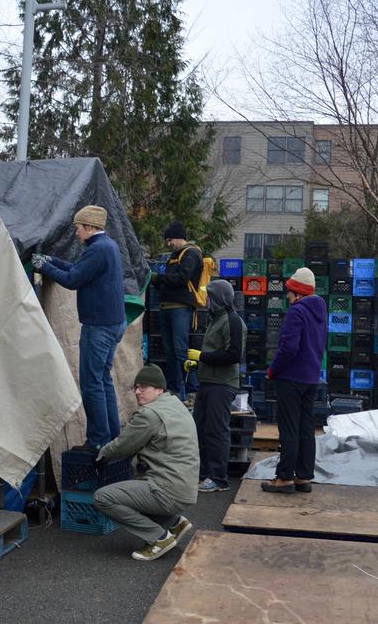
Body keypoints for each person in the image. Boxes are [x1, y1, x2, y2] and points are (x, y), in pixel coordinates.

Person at [33, 205, 126, 450]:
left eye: (77, 228)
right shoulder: (107, 247)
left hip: (99, 327)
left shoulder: (98, 250)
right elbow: (78, 270)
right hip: (113, 324)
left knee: (91, 383)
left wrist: (43, 266)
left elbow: (72, 280)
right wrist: (52, 260)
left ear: (89, 227)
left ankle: (96, 441)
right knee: (103, 380)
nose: (75, 233)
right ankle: (112, 437)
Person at [92, 364, 199, 561]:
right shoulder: (176, 405)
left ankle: (159, 538)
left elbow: (123, 446)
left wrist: (100, 454)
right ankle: (174, 523)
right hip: (185, 487)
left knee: (103, 498)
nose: (138, 392)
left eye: (144, 387)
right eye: (136, 387)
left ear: (159, 389)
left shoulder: (149, 414)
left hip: (168, 491)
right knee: (137, 484)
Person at [262, 267, 327, 494]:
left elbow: (288, 348)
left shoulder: (296, 312)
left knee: (289, 428)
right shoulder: (320, 310)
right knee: (306, 429)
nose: (287, 296)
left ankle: (284, 478)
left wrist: (273, 370)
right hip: (311, 378)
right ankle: (304, 476)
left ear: (297, 293)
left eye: (289, 292)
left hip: (290, 378)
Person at [184, 279, 245, 493]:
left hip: (222, 384)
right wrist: (198, 362)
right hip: (208, 382)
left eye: (210, 296)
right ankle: (203, 474)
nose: (206, 299)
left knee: (216, 431)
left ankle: (218, 478)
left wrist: (203, 356)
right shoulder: (215, 319)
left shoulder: (232, 321)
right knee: (199, 428)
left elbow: (233, 355)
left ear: (219, 298)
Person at [153, 221, 202, 402]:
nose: (168, 243)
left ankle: (192, 391)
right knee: (170, 351)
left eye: (170, 240)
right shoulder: (175, 255)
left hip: (180, 308)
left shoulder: (191, 254)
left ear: (179, 237)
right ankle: (174, 390)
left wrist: (159, 279)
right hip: (167, 307)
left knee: (181, 350)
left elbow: (183, 278)